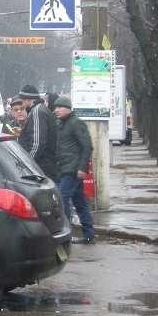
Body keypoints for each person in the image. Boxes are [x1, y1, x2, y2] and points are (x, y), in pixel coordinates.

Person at [54, 95, 95, 244]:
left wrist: (82, 168)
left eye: (60, 107)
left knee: (62, 199)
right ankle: (89, 234)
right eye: (56, 107)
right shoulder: (63, 124)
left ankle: (65, 232)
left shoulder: (76, 123)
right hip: (67, 168)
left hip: (72, 169)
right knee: (80, 202)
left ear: (68, 109)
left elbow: (87, 146)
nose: (56, 110)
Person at [17, 84, 59, 181]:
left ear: (28, 99)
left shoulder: (37, 112)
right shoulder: (40, 110)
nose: (22, 104)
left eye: (22, 100)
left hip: (42, 166)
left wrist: (27, 164)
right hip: (45, 165)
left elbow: (37, 143)